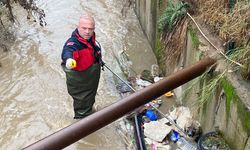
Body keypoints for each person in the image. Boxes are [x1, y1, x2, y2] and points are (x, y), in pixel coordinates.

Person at [61, 15, 102, 119]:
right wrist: (69, 59)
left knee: (90, 99)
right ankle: (81, 125)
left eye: (90, 29)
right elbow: (67, 51)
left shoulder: (89, 38)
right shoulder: (73, 43)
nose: (87, 32)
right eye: (84, 28)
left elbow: (93, 49)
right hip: (80, 82)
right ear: (78, 27)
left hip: (91, 78)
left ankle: (90, 111)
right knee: (82, 107)